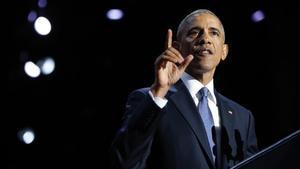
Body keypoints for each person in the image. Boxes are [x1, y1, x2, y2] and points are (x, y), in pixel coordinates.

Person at [110, 9, 259, 169]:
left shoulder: (243, 117)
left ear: (224, 51)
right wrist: (159, 91)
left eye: (214, 33)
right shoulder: (151, 99)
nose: (205, 39)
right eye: (195, 32)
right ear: (176, 48)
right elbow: (124, 162)